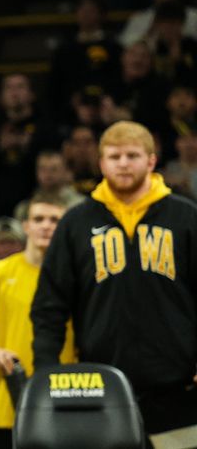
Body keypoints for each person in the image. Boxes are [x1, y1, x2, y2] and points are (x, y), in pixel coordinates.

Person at [32, 121, 197, 440]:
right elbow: (49, 305)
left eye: (132, 155)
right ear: (101, 161)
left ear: (151, 161)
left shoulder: (185, 217)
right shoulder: (76, 222)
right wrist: (46, 369)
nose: (123, 163)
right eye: (115, 156)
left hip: (178, 383)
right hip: (100, 384)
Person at [0, 193, 77, 449]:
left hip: (62, 401)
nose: (46, 225)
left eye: (55, 219)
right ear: (25, 226)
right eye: (39, 218)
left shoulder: (78, 279)